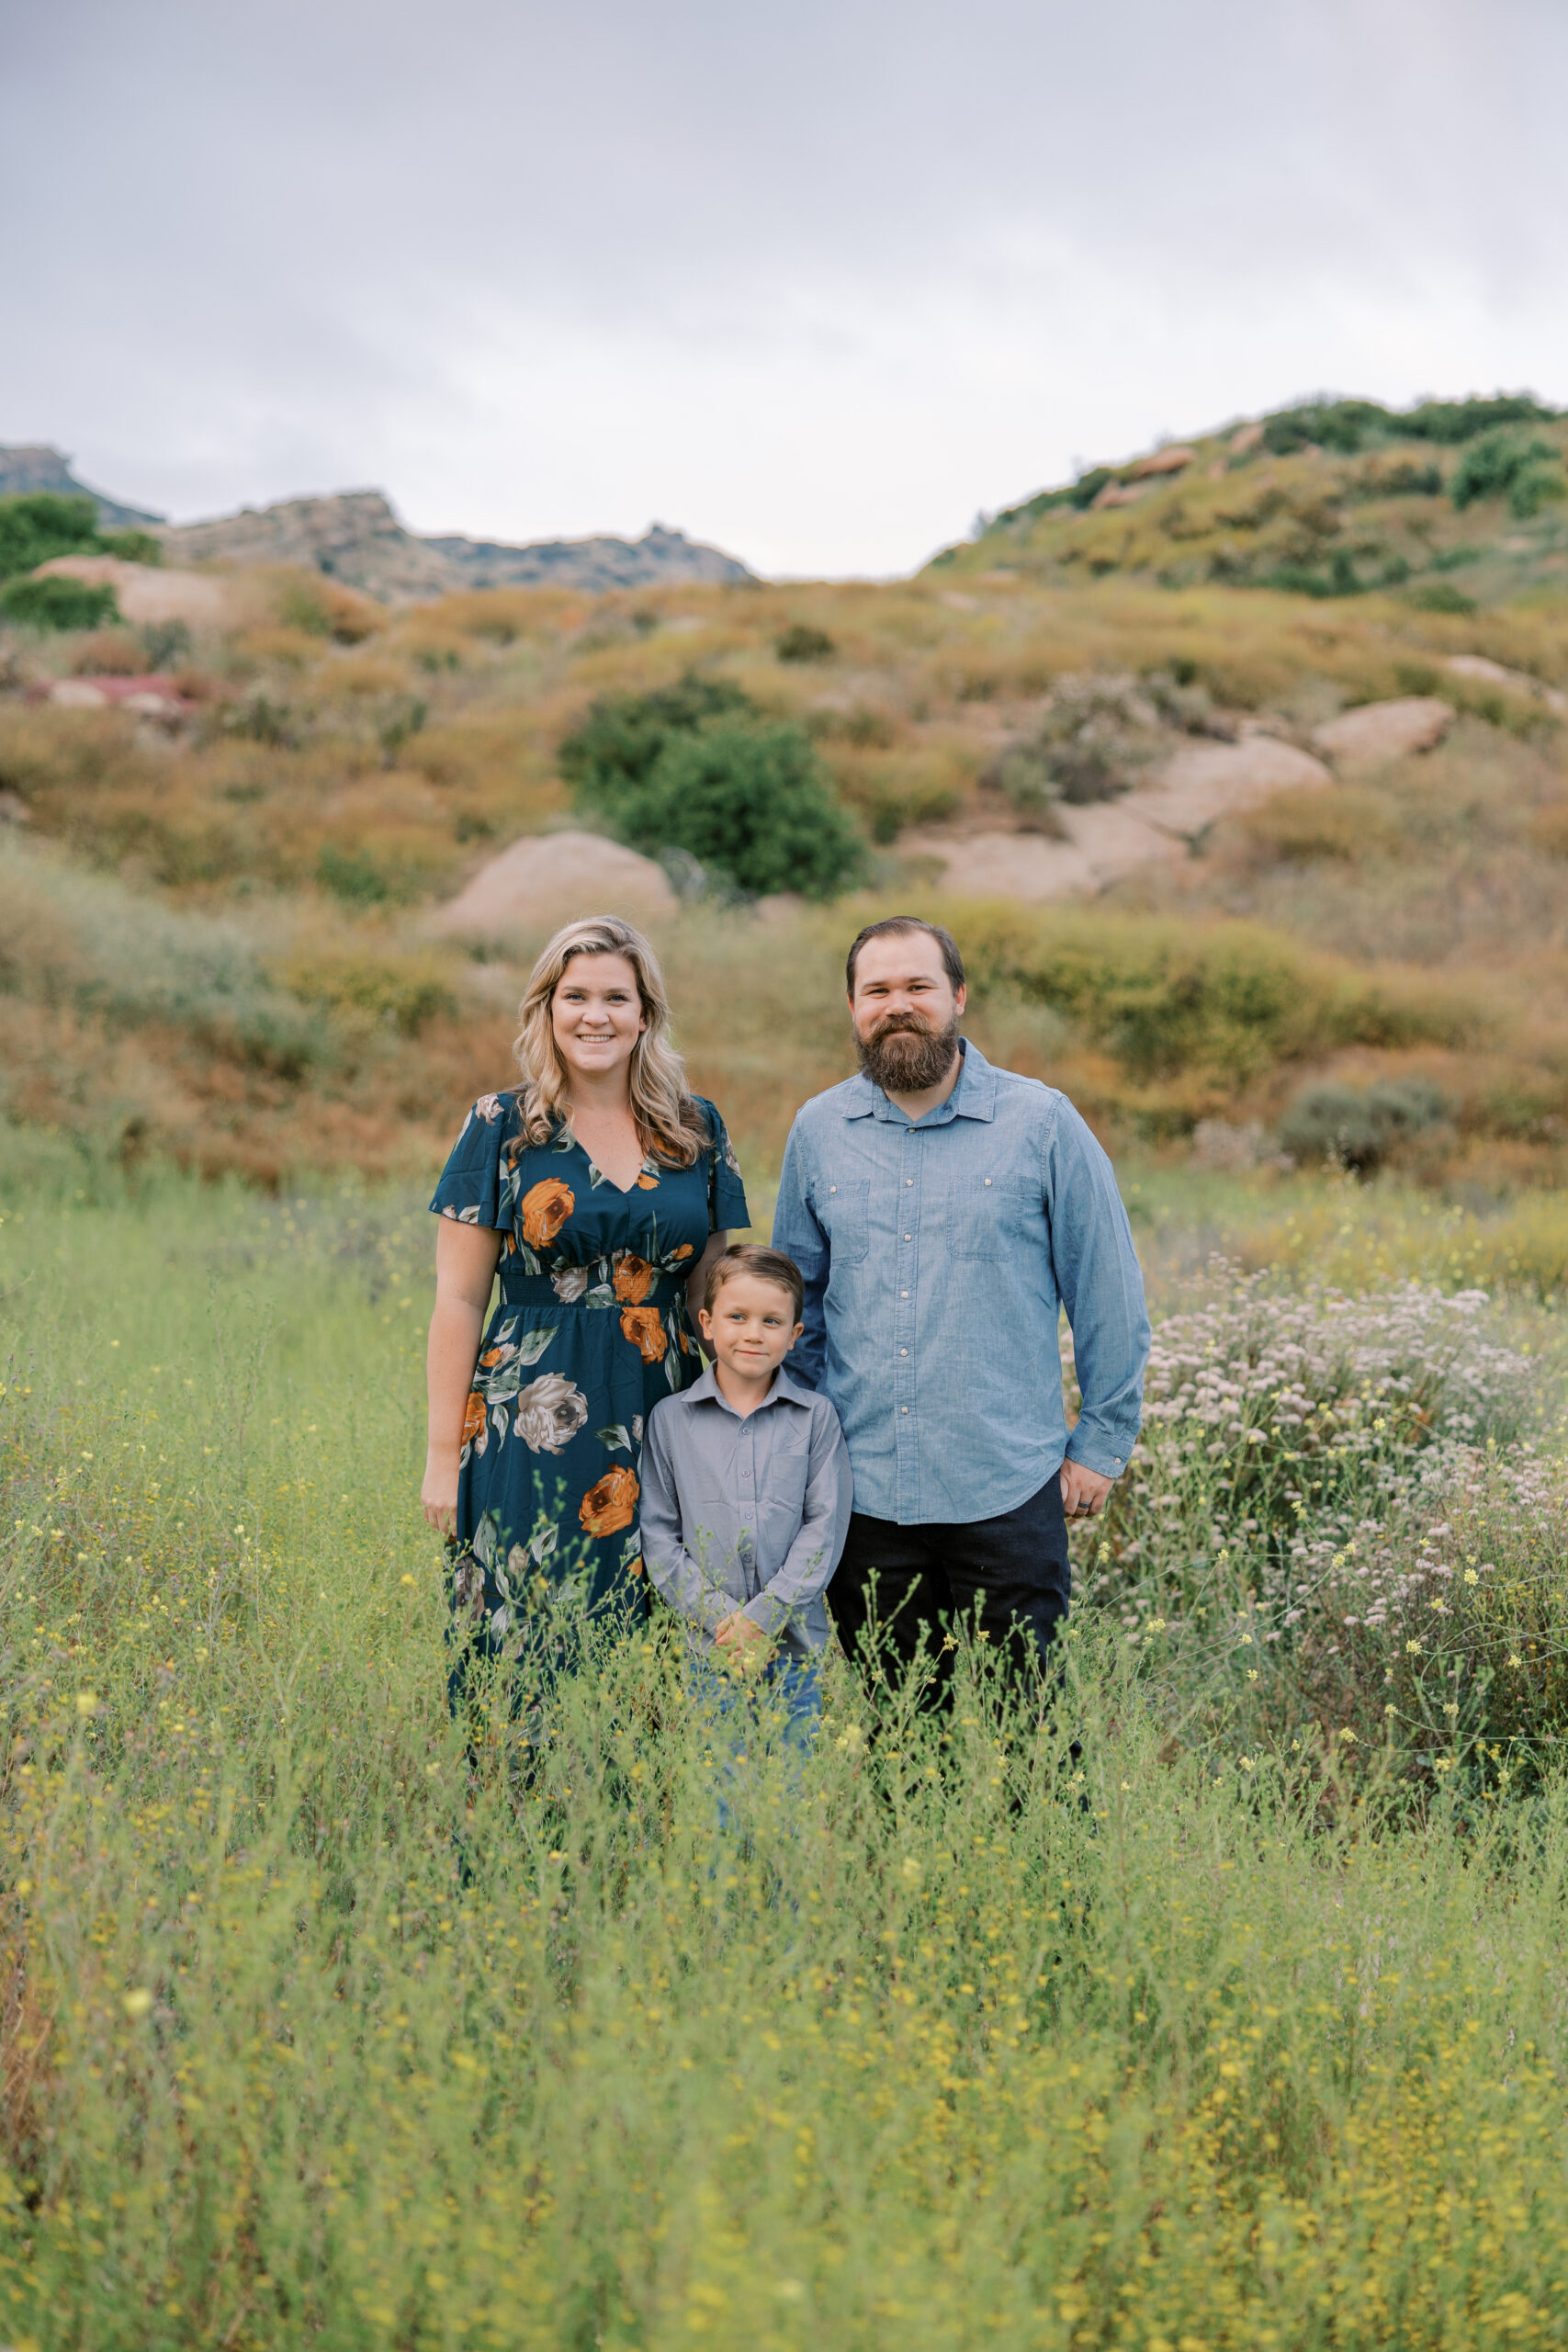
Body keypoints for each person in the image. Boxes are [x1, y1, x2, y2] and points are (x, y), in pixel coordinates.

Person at [771, 915, 1149, 1700]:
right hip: (864, 1492)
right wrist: (800, 1447)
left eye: (918, 986)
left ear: (959, 997)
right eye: (877, 990)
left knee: (1032, 1737)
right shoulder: (818, 1131)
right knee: (901, 1738)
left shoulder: (1041, 1124)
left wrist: (1100, 1445)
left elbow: (1107, 1292)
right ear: (852, 1007)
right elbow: (794, 1308)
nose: (897, 1005)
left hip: (1007, 1486)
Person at [422, 915, 750, 1664]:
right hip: (525, 1412)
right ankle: (511, 1782)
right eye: (574, 996)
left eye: (615, 998)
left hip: (663, 1407)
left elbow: (712, 1298)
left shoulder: (694, 1130)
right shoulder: (501, 1124)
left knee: (658, 1617)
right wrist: (443, 1457)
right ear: (546, 1008)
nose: (594, 1016)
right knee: (522, 1619)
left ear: (644, 1016)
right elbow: (459, 1299)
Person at [639, 1244, 852, 1746]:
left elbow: (824, 1529)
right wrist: (724, 1622)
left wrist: (763, 1619)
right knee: (720, 1792)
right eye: (737, 1317)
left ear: (795, 1335)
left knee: (791, 1791)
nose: (753, 1333)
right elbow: (659, 1537)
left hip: (794, 1646)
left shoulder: (816, 1418)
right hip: (707, 1648)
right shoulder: (670, 1420)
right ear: (707, 1323)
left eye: (771, 1321)